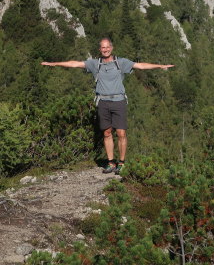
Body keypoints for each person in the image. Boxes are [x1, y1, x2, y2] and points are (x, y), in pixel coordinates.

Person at [41, 38, 174, 174]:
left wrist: (160, 66)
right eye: (103, 48)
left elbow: (140, 66)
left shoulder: (121, 62)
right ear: (100, 49)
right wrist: (55, 64)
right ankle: (111, 162)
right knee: (107, 132)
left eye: (107, 47)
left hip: (119, 101)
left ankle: (121, 163)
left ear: (112, 47)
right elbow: (74, 64)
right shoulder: (94, 64)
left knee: (121, 133)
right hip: (103, 102)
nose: (105, 50)